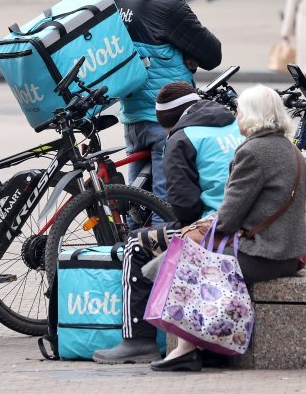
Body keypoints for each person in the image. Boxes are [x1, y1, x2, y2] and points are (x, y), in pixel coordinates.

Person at [149, 85, 306, 371]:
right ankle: (207, 347)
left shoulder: (254, 152)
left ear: (251, 116)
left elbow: (228, 219)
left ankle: (186, 349)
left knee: (188, 262)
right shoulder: (290, 149)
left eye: (240, 112)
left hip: (264, 254)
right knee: (193, 255)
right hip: (288, 253)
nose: (236, 118)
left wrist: (206, 224)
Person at [92, 81, 244, 364]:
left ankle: (137, 340)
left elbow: (184, 209)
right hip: (246, 225)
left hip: (214, 229)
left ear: (169, 123)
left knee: (136, 246)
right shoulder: (232, 124)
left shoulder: (182, 137)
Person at [116, 0, 222, 200]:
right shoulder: (166, 2)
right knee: (167, 207)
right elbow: (212, 54)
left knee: (137, 206)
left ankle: (133, 244)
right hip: (164, 120)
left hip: (133, 120)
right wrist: (185, 53)